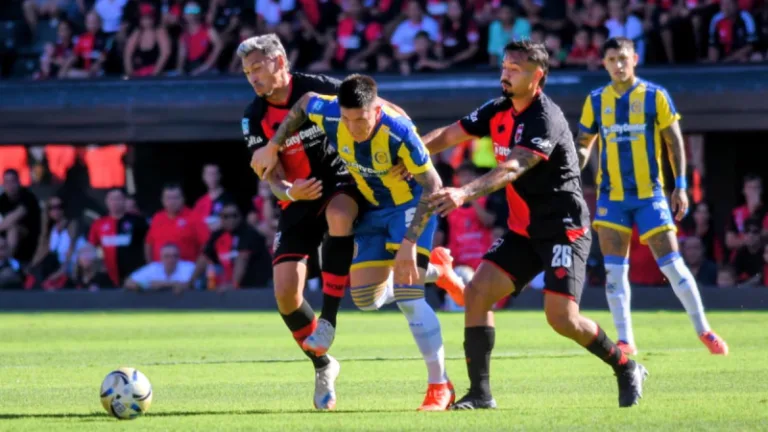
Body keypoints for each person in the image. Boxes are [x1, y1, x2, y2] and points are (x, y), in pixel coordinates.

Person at [422, 40, 647, 409]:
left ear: (537, 75)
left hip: (563, 229)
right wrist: (411, 154)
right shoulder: (497, 109)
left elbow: (514, 167)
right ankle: (480, 394)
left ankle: (626, 367)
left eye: (515, 68)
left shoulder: (546, 118)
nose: (505, 74)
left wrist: (464, 193)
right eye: (505, 66)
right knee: (477, 294)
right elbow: (449, 134)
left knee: (561, 319)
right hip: (523, 232)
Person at [252, 74, 466, 411]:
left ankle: (440, 386)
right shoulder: (332, 113)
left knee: (409, 296)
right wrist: (274, 144)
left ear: (376, 110)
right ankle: (437, 270)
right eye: (348, 118)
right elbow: (306, 101)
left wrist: (410, 244)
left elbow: (434, 186)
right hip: (372, 210)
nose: (354, 127)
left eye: (361, 119)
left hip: (410, 208)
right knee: (366, 299)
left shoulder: (400, 133)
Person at [238, 34, 386, 410]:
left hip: (340, 181)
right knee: (286, 294)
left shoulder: (320, 88)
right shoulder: (253, 117)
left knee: (339, 215)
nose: (252, 77)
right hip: (299, 200)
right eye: (246, 71)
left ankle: (330, 320)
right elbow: (268, 173)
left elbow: (372, 106)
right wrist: (289, 192)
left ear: (280, 61)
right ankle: (323, 364)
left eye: (257, 67)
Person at [575, 37, 727, 356]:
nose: (618, 64)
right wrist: (575, 163)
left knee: (672, 265)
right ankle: (625, 339)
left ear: (635, 59)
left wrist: (681, 186)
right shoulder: (596, 100)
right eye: (612, 59)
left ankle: (705, 331)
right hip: (612, 197)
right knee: (614, 271)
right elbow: (584, 141)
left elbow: (674, 142)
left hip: (650, 196)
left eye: (623, 58)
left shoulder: (654, 96)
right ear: (603, 62)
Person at [0, 169, 42, 265]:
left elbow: (13, 218)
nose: (10, 185)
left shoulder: (27, 197)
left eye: (12, 181)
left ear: (18, 182)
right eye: (7, 182)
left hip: (30, 239)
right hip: (5, 238)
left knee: (13, 228)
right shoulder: (3, 199)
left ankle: (7, 263)